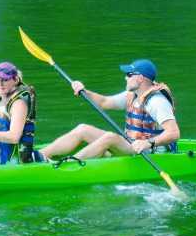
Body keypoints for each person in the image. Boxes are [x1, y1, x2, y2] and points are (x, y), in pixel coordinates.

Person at [38, 59, 178, 161]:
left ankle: (68, 165)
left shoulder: (157, 102)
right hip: (131, 145)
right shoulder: (133, 95)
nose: (125, 77)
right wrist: (84, 91)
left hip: (149, 152)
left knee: (110, 137)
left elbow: (174, 133)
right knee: (83, 129)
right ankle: (38, 156)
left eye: (129, 74)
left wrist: (148, 143)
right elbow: (105, 102)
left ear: (140, 78)